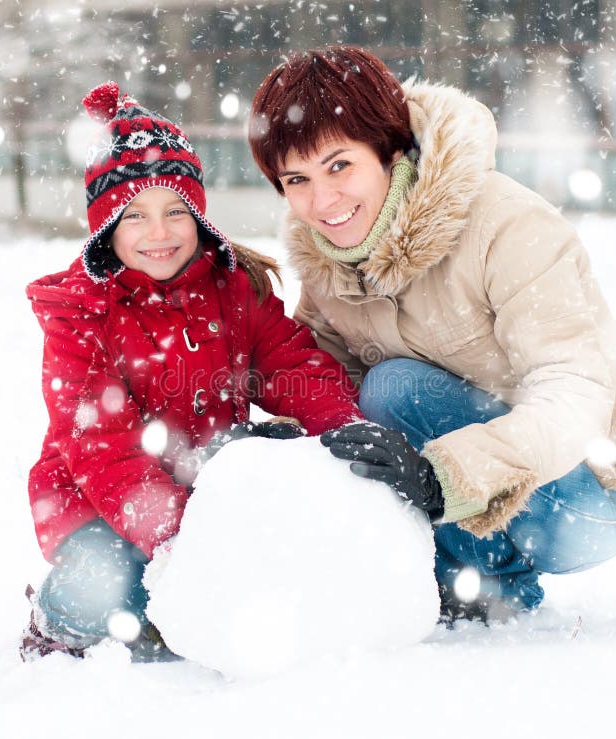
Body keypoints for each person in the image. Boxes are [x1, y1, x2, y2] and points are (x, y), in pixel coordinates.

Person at [247, 46, 616, 622]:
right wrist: (284, 439)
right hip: (481, 484)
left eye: (340, 165)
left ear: (389, 150)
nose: (322, 201)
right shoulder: (329, 260)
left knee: (395, 391)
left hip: (589, 496)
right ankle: (452, 573)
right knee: (366, 405)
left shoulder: (507, 226)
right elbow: (322, 376)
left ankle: (489, 586)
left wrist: (445, 475)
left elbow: (575, 390)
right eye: (296, 179)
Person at [21, 82, 363, 660]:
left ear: (198, 214)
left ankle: (183, 609)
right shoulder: (81, 315)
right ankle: (59, 618)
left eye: (176, 211)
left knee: (271, 529)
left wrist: (344, 424)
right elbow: (102, 446)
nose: (160, 233)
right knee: (111, 586)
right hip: (98, 498)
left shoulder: (228, 288)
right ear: (105, 228)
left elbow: (291, 364)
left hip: (202, 474)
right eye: (136, 217)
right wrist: (178, 538)